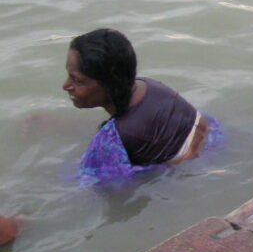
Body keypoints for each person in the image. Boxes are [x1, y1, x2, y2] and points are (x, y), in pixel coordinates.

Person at [65, 29, 217, 180]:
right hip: (211, 141)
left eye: (77, 81)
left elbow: (102, 184)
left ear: (110, 85)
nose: (66, 86)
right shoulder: (148, 85)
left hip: (184, 174)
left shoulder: (116, 137)